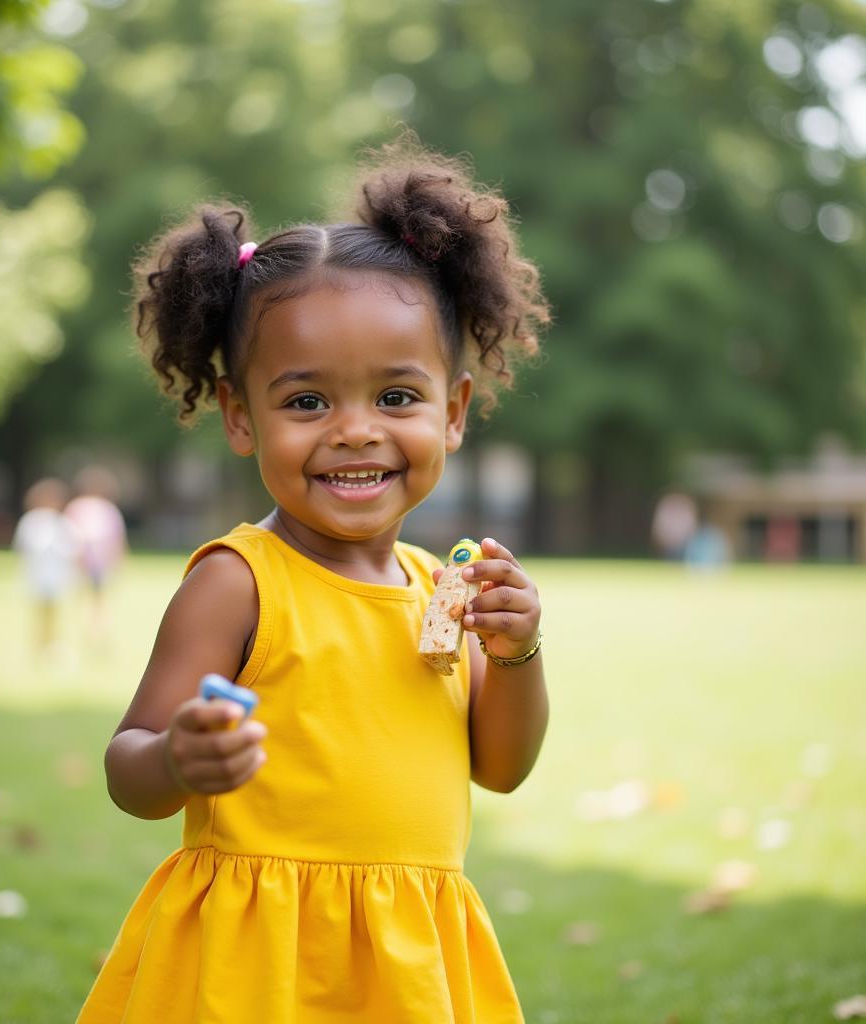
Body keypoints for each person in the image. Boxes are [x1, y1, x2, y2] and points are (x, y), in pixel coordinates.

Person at [78, 135, 551, 1024]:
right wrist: (179, 757)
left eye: (396, 398)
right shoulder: (238, 581)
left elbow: (502, 767)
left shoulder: (443, 590)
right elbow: (126, 767)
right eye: (306, 402)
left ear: (452, 413)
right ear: (239, 417)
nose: (355, 431)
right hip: (254, 961)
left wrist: (520, 653)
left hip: (405, 959)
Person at [12, 478, 79, 657]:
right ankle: (38, 645)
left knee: (55, 614)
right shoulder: (31, 521)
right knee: (39, 613)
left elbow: (72, 550)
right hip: (38, 576)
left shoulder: (61, 522)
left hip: (57, 576)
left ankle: (53, 645)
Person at [64, 465, 128, 637]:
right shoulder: (79, 507)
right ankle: (86, 629)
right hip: (83, 560)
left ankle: (94, 629)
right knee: (86, 597)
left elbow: (116, 537)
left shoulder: (104, 509)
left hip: (99, 562)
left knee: (96, 598)